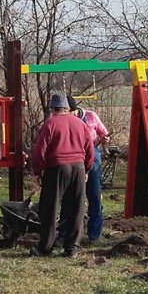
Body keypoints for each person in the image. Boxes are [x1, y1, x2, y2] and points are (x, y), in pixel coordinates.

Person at [30, 93, 94, 257]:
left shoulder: (50, 124)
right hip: (78, 168)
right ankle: (72, 248)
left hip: (57, 168)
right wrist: (86, 169)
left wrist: (37, 171)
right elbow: (90, 150)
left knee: (50, 208)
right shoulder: (80, 124)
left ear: (52, 109)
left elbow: (39, 151)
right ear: (67, 108)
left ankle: (46, 247)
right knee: (76, 208)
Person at [67, 95, 110, 242]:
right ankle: (69, 232)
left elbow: (103, 132)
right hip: (73, 155)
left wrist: (103, 139)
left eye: (68, 112)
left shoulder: (91, 116)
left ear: (73, 110)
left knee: (94, 195)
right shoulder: (67, 121)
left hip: (92, 154)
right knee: (71, 196)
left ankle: (94, 234)